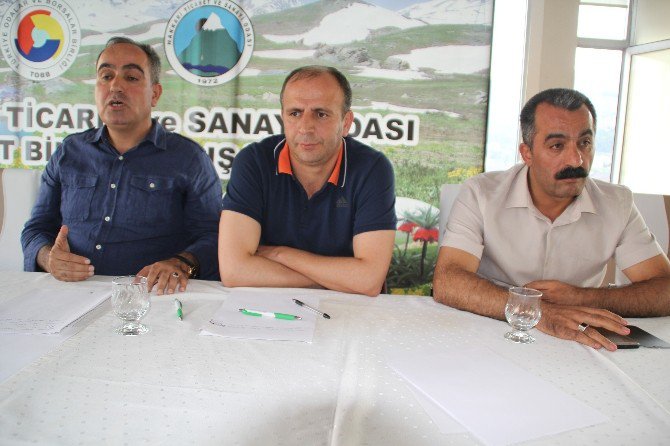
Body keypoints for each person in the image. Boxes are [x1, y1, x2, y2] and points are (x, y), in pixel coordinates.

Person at [433, 88, 670, 350]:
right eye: (557, 145)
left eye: (584, 143)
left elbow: (664, 291)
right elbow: (448, 281)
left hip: (578, 338)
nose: (576, 159)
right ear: (527, 153)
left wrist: (580, 297)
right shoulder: (481, 193)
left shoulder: (617, 203)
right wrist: (539, 313)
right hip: (491, 328)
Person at [21, 37, 222, 293]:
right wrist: (48, 258)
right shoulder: (68, 152)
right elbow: (36, 229)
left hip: (151, 297)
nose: (115, 86)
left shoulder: (188, 158)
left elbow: (214, 236)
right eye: (106, 76)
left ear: (155, 94)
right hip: (70, 293)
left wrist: (180, 263)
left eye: (131, 78)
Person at [218, 65, 396, 296]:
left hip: (348, 312)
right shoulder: (254, 161)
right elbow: (234, 271)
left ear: (346, 122)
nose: (305, 127)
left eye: (321, 114)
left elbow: (368, 280)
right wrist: (340, 279)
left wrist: (279, 254)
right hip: (267, 305)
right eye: (295, 113)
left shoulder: (372, 168)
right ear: (282, 117)